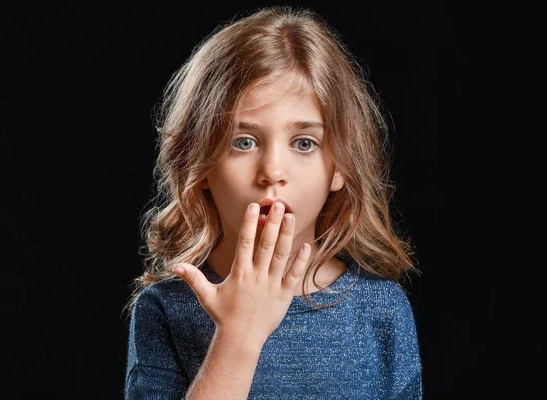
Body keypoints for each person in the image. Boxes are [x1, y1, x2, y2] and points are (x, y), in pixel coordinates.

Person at [124, 5, 422, 399]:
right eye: (243, 142)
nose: (272, 171)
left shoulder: (382, 311)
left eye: (304, 143)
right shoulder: (165, 310)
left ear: (339, 168)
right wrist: (237, 335)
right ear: (200, 165)